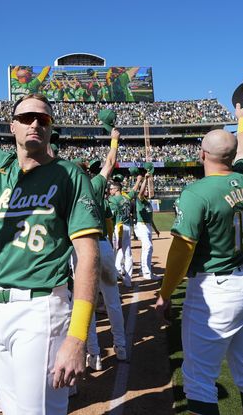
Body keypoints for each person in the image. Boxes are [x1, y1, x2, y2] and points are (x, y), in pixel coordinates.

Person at [0, 33, 101, 414]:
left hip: (44, 307)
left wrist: (78, 336)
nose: (34, 124)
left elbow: (87, 257)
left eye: (42, 119)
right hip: (0, 306)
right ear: (12, 126)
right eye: (26, 118)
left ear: (50, 127)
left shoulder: (69, 175)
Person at [154, 104, 243, 415]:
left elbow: (182, 250)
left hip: (216, 289)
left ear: (202, 154)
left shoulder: (197, 192)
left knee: (198, 380)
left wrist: (165, 293)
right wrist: (242, 119)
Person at [81, 130, 127, 369]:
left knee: (85, 303)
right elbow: (109, 162)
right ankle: (120, 347)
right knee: (113, 301)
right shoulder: (94, 186)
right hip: (102, 246)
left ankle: (94, 355)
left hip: (79, 251)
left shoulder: (66, 191)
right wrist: (114, 139)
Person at [129, 171, 161, 281]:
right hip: (141, 226)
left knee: (148, 249)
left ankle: (146, 271)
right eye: (146, 189)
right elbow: (141, 192)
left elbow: (150, 218)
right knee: (148, 247)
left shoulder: (148, 203)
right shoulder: (140, 200)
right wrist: (146, 180)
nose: (147, 191)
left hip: (147, 226)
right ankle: (147, 273)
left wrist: (155, 229)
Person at [108, 180, 133, 288]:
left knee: (114, 252)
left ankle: (115, 275)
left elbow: (110, 217)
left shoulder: (113, 200)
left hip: (119, 227)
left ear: (117, 189)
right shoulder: (126, 198)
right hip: (128, 226)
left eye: (111, 188)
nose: (110, 190)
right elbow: (134, 192)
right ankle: (128, 280)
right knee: (127, 254)